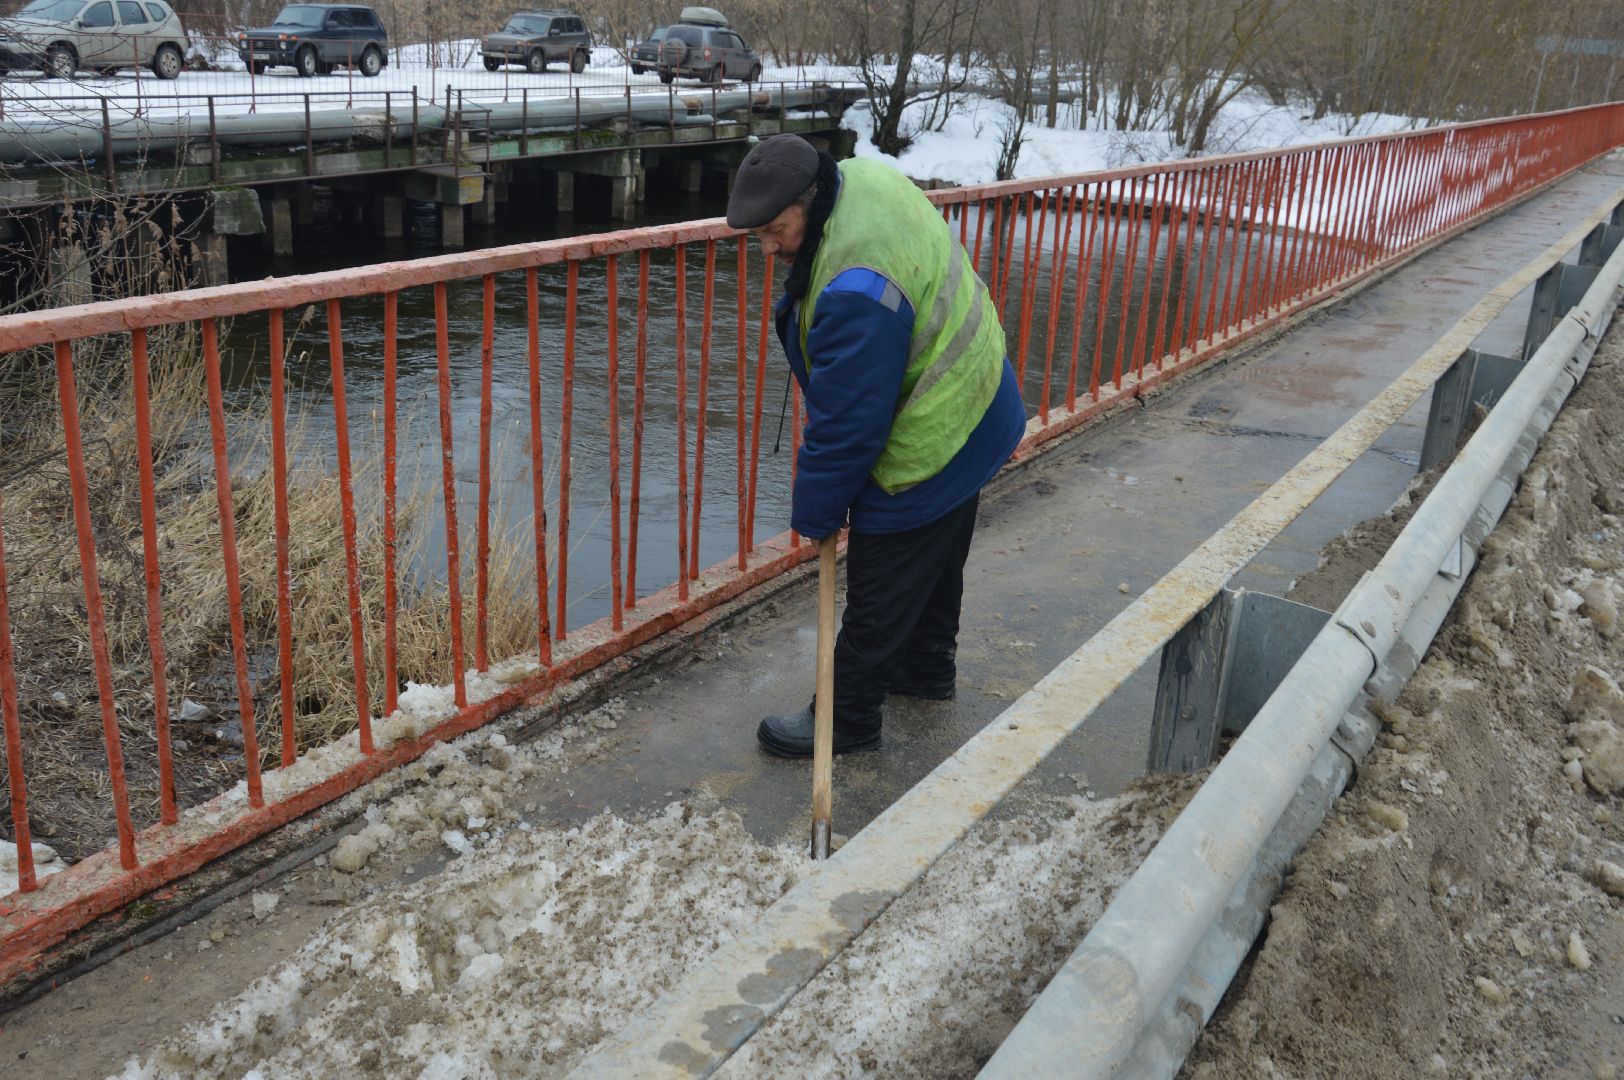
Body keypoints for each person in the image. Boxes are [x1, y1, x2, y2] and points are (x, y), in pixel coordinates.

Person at [727, 134, 1026, 757]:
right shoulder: (862, 179)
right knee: (936, 556)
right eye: (758, 237)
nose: (769, 249)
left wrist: (817, 510)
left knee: (882, 578)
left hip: (935, 428)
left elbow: (849, 426)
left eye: (777, 231)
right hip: (977, 395)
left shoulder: (854, 288)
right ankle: (925, 669)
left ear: (810, 201)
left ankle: (847, 720)